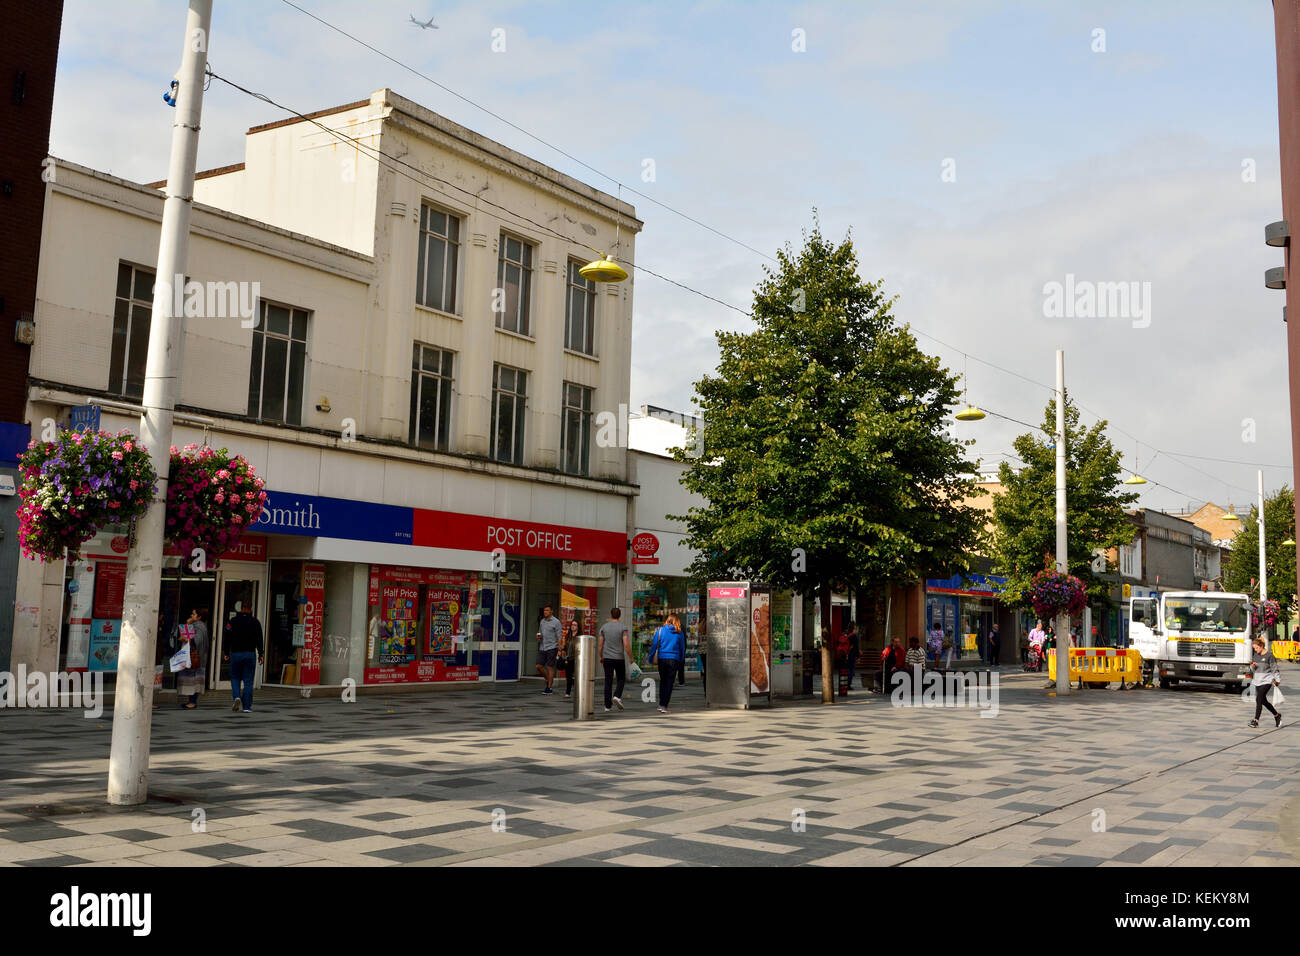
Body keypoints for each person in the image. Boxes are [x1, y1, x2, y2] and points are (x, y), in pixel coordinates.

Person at [223, 596, 263, 714]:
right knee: (248, 681)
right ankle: (247, 707)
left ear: (240, 608)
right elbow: (259, 639)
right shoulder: (255, 622)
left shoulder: (232, 622)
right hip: (250, 654)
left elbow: (227, 637)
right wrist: (261, 654)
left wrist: (226, 652)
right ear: (251, 608)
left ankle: (236, 696)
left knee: (235, 677)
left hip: (236, 653)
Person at [648, 613, 685, 713]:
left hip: (662, 659)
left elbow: (654, 645)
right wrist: (681, 661)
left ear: (668, 620)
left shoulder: (660, 630)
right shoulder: (679, 632)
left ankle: (661, 704)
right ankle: (664, 705)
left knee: (663, 681)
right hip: (674, 660)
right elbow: (682, 648)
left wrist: (651, 658)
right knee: (669, 683)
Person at [598, 607, 632, 713]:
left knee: (608, 681)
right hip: (619, 658)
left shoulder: (604, 627)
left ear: (611, 615)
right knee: (621, 678)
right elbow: (626, 644)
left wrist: (601, 656)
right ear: (620, 615)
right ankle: (617, 696)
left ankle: (607, 706)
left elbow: (600, 645)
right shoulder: (623, 628)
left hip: (607, 657)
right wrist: (631, 657)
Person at [176, 607, 209, 709]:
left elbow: (196, 640)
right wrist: (187, 622)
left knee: (193, 679)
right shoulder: (198, 625)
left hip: (195, 658)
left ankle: (192, 702)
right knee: (193, 679)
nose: (191, 615)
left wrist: (185, 639)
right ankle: (191, 701)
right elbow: (188, 634)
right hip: (197, 657)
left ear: (199, 617)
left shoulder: (199, 626)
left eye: (194, 614)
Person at [1247, 636, 1283, 728]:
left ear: (1262, 646)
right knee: (1263, 701)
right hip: (1257, 681)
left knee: (1259, 699)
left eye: (1257, 648)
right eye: (1254, 648)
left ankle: (1256, 721)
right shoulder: (1255, 656)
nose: (1255, 650)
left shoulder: (1269, 656)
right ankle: (1277, 715)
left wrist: (1277, 680)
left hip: (1267, 681)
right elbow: (1253, 670)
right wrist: (1252, 666)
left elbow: (1274, 669)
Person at [534, 604, 562, 695]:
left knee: (550, 667)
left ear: (551, 611)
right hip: (542, 647)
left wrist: (560, 649)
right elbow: (540, 633)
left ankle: (549, 688)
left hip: (552, 647)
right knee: (538, 666)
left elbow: (559, 637)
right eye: (544, 610)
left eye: (547, 610)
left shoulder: (556, 622)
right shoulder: (542, 621)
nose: (545, 612)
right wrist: (538, 637)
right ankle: (548, 679)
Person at [559, 619, 579, 698]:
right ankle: (568, 692)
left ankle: (577, 691)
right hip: (568, 658)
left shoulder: (579, 637)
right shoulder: (568, 636)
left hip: (576, 659)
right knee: (569, 676)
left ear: (578, 627)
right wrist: (562, 649)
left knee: (576, 676)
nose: (573, 626)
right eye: (572, 625)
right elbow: (566, 647)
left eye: (575, 625)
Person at [841, 620, 859, 694]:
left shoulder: (844, 633)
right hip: (851, 654)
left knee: (844, 669)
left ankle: (843, 684)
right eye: (855, 628)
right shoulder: (854, 636)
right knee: (850, 670)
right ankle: (848, 684)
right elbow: (856, 647)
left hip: (843, 654)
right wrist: (858, 656)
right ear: (853, 628)